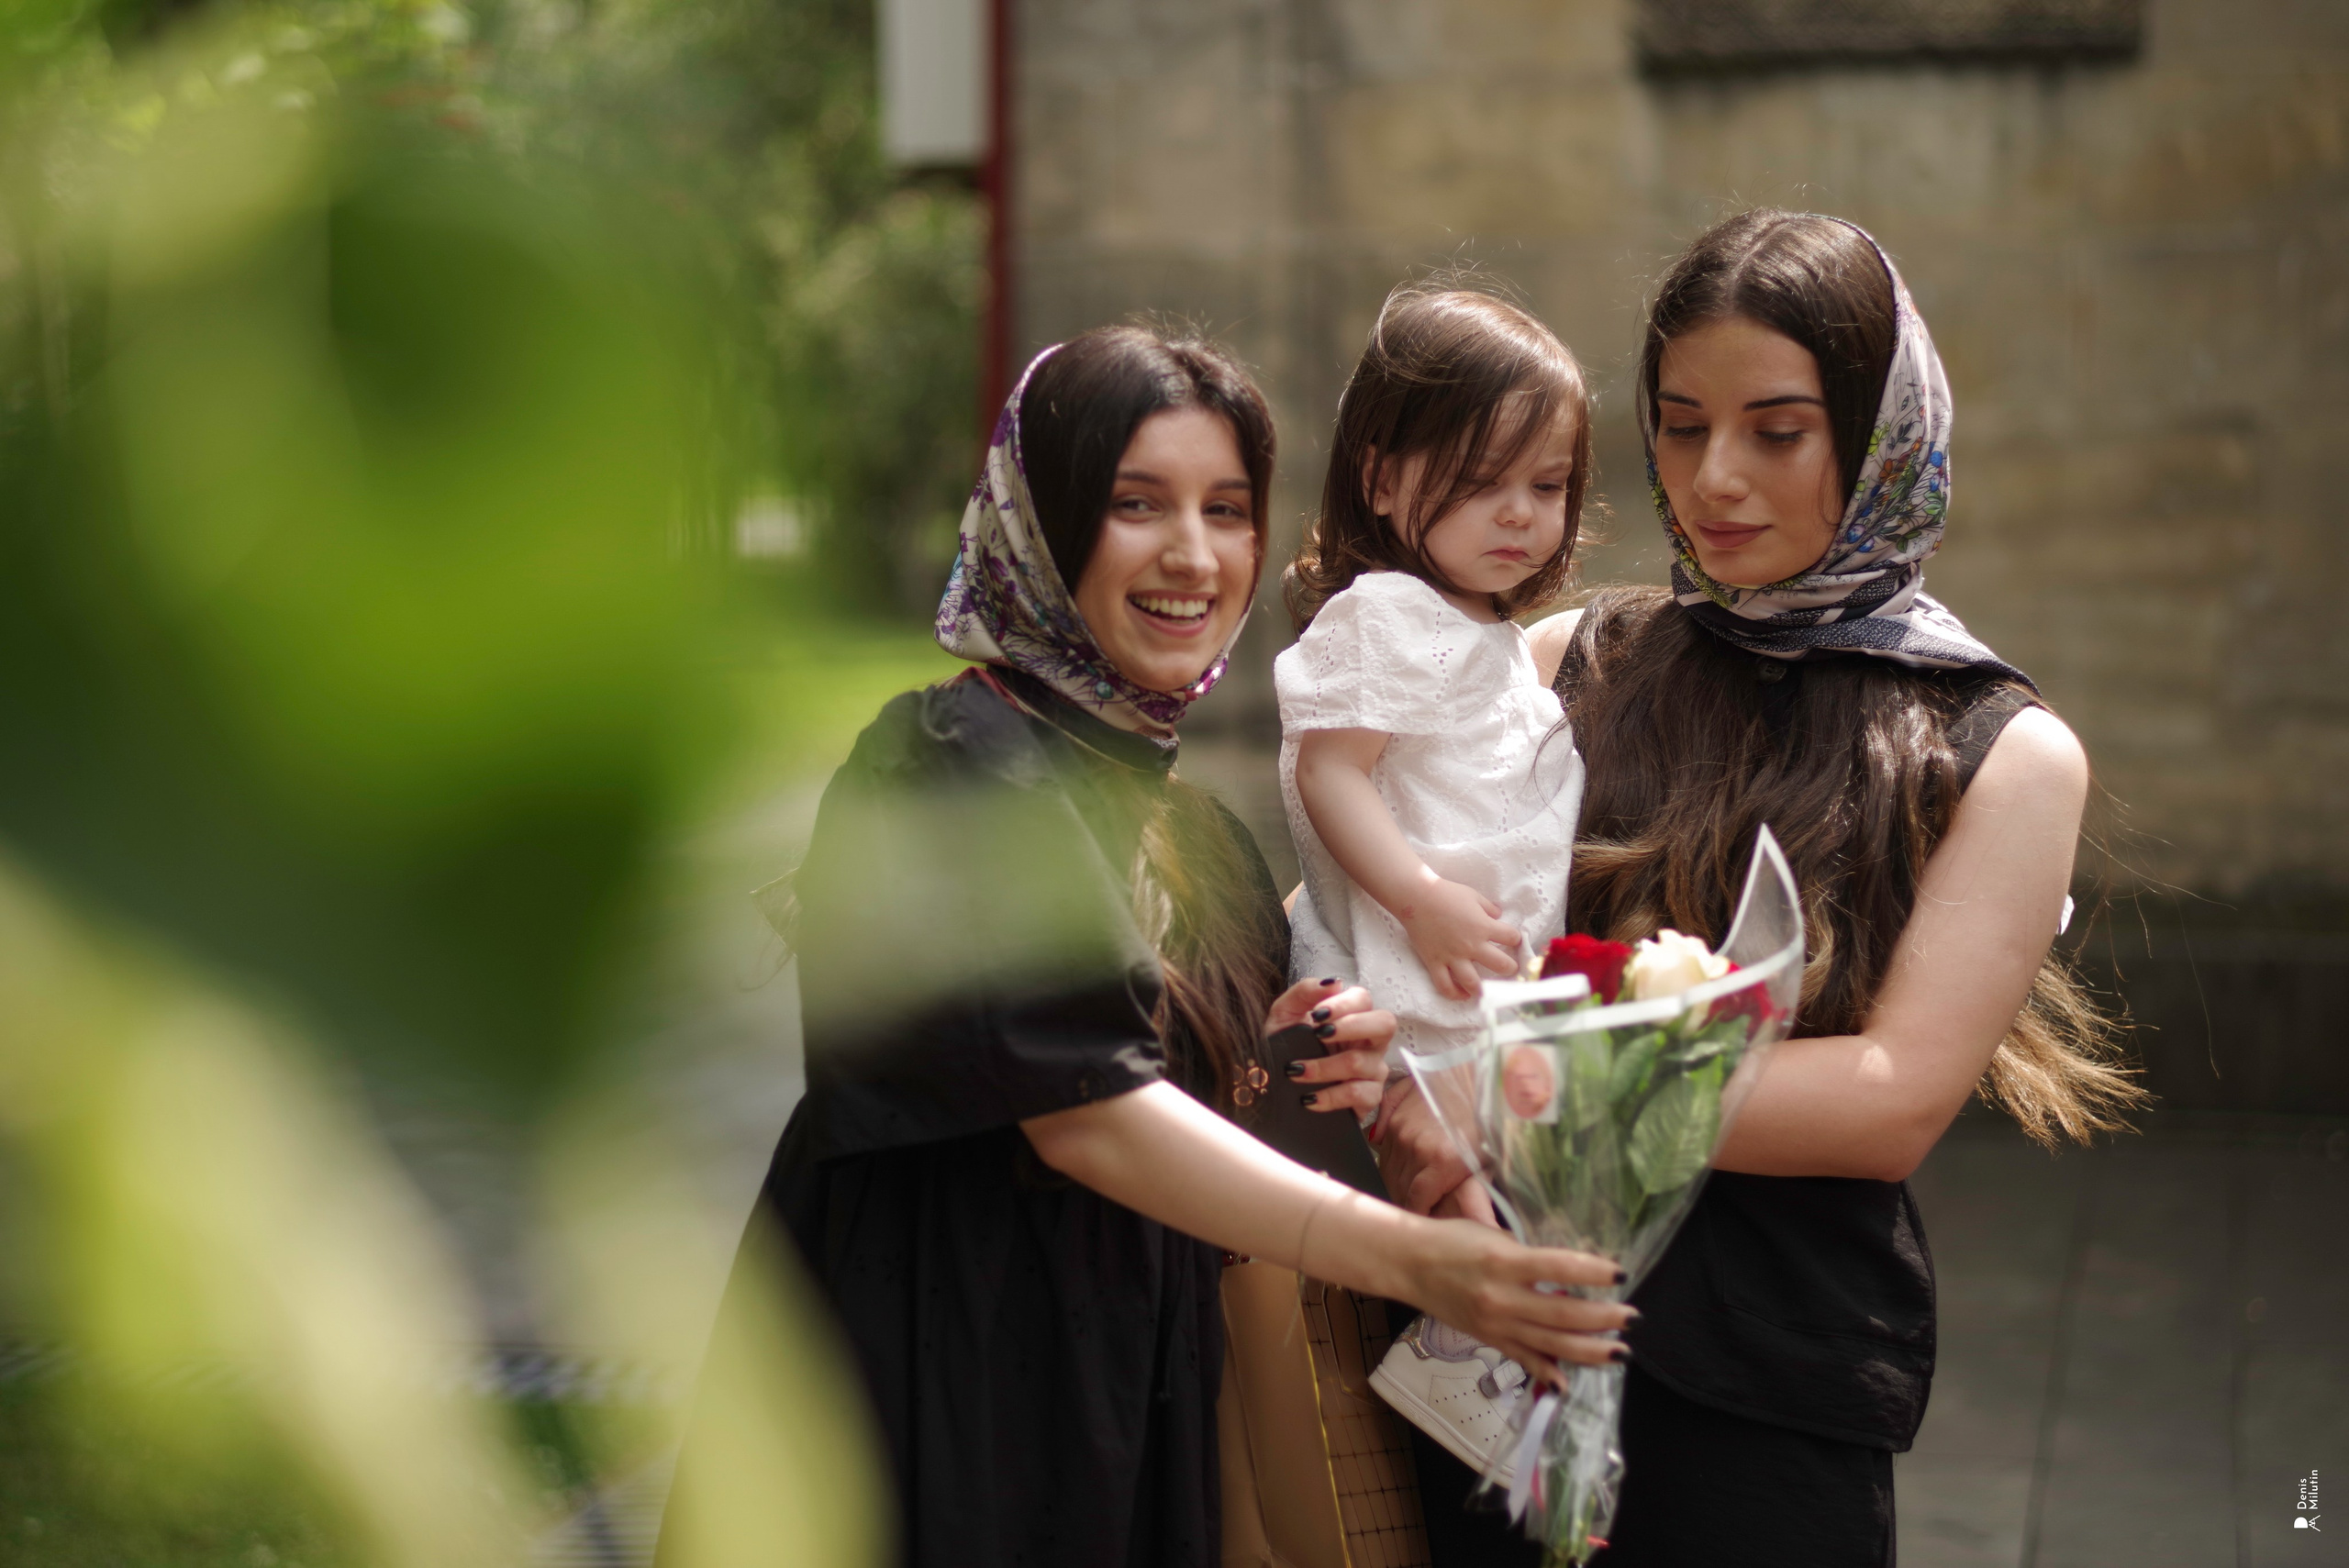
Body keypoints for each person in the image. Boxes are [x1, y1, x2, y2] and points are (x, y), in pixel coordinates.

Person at [661, 325, 1635, 1568]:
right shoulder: (954, 767)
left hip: (1143, 1399)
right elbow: (1086, 1111)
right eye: (1136, 504)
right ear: (1044, 519)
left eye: (1228, 509)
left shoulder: (1197, 834)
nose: (1193, 552)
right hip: (939, 1392)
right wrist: (1408, 1252)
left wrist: (1322, 1063)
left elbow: (1212, 1100)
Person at [1372, 211, 2144, 1567]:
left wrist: (1513, 1075)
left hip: (1765, 1401)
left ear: (1883, 429)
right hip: (1485, 1347)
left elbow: (1890, 1097)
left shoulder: (2001, 753)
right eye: (1677, 424)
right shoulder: (1562, 662)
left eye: (1776, 430)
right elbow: (1402, 936)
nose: (1713, 476)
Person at [1274, 286, 1595, 1508]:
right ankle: (1498, 1417)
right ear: (1386, 477)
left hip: (1485, 986)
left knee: (1509, 1211)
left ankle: (1520, 1423)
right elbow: (1330, 770)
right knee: (1463, 1200)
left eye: (1549, 483)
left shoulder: (1482, 630)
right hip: (1426, 984)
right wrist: (1413, 893)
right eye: (1482, 480)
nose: (1521, 515)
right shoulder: (1389, 614)